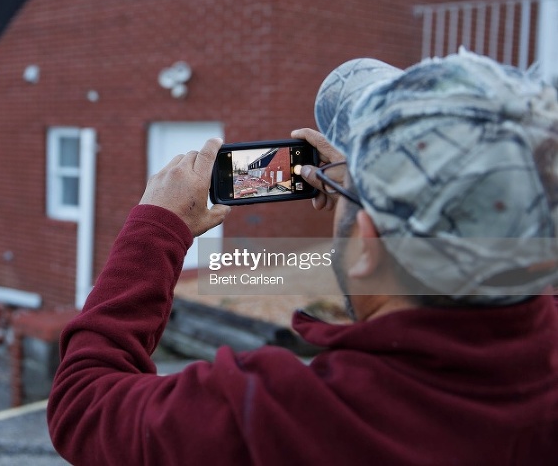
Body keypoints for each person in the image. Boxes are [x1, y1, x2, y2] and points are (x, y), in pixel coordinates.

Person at [47, 51, 558, 465]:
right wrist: (359, 187)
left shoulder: (283, 418)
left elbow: (83, 404)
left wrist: (155, 228)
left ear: (367, 247)